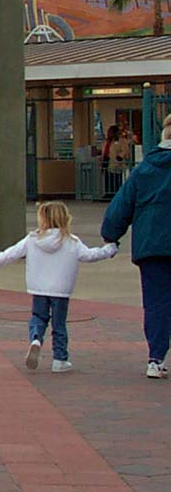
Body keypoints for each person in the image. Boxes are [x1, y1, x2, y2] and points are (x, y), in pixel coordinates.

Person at [0, 201, 117, 373]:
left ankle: (36, 338)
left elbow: (10, 254)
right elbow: (90, 255)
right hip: (61, 289)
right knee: (59, 323)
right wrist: (110, 249)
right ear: (65, 218)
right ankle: (60, 359)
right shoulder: (72, 241)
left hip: (39, 287)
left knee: (38, 316)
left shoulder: (33, 239)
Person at [102, 112, 171, 380]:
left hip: (151, 247)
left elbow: (120, 207)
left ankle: (155, 358)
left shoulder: (143, 170)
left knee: (156, 303)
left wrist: (111, 235)